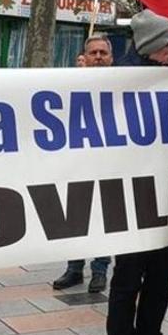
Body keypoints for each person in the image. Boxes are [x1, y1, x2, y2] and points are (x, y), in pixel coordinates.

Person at [106, 11, 168, 335]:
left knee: (161, 279)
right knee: (127, 281)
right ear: (152, 47)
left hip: (167, 199)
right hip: (130, 199)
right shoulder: (124, 80)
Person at [53, 35, 114, 294]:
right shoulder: (69, 84)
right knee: (75, 218)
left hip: (108, 164)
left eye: (103, 53)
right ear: (84, 57)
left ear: (111, 58)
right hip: (77, 163)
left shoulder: (124, 85)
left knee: (103, 217)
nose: (98, 57)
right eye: (93, 53)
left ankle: (100, 270)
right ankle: (74, 268)